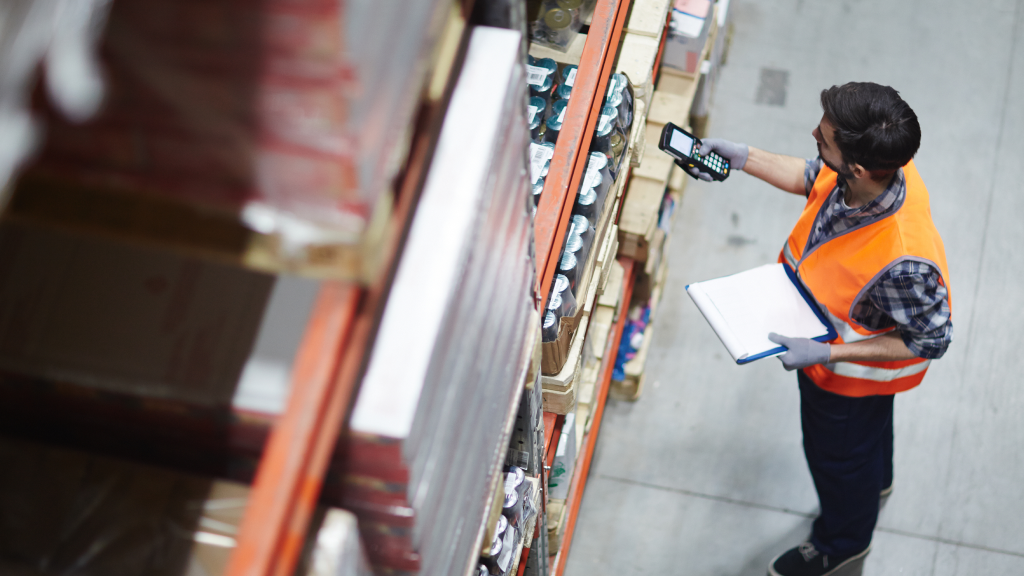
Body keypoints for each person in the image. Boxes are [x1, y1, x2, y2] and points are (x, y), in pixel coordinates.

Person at [685, 82, 953, 576]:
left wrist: (827, 354)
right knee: (868, 446)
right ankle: (875, 483)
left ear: (858, 168)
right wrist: (744, 158)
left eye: (824, 138)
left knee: (839, 461)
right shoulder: (879, 169)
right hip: (837, 365)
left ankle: (842, 543)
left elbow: (931, 339)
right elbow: (814, 177)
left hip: (846, 383)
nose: (813, 134)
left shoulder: (904, 263)